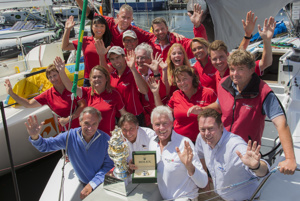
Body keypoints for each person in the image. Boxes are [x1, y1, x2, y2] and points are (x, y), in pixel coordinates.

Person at [202, 49, 297, 175]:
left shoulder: (263, 92)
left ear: (252, 70)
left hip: (247, 151)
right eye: (232, 69)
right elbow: (220, 105)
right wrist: (203, 109)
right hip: (222, 144)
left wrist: (290, 158)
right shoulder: (224, 84)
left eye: (240, 69)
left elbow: (281, 124)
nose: (235, 74)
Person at [26, 107, 114, 199]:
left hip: (101, 184)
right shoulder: (69, 136)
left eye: (94, 124)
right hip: (84, 184)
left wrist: (91, 184)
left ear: (98, 123)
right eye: (86, 123)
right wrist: (35, 137)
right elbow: (46, 146)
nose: (90, 128)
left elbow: (109, 166)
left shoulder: (106, 140)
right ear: (80, 122)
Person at [195, 108, 270, 200]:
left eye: (211, 128)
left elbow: (264, 173)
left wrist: (256, 166)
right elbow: (200, 154)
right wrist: (205, 176)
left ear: (221, 127)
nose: (206, 133)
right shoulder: (201, 138)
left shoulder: (236, 146)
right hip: (221, 196)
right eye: (202, 129)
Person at [148, 106, 208, 200]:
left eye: (165, 123)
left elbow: (203, 182)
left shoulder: (184, 144)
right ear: (152, 126)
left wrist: (189, 166)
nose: (161, 128)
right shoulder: (152, 143)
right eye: (157, 124)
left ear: (172, 123)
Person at [54, 57, 126, 135]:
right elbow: (72, 88)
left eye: (100, 76)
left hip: (107, 138)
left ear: (106, 79)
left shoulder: (114, 94)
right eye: (94, 77)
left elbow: (123, 114)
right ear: (90, 80)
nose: (97, 79)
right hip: (90, 137)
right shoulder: (87, 92)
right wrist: (61, 72)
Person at [5, 64, 86, 131]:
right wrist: (11, 94)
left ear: (60, 74)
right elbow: (28, 104)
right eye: (50, 77)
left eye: (55, 75)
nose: (53, 79)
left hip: (82, 128)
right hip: (65, 132)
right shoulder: (47, 95)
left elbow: (83, 105)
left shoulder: (71, 88)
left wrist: (69, 119)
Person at [149, 66, 217, 142]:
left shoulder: (208, 93)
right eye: (179, 81)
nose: (182, 83)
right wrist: (155, 93)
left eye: (185, 79)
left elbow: (220, 110)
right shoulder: (176, 95)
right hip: (179, 141)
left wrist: (203, 110)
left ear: (192, 78)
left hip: (205, 141)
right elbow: (162, 113)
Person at [210, 13, 275, 90]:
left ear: (228, 55)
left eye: (221, 57)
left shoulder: (240, 69)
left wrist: (266, 40)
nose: (218, 61)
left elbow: (265, 63)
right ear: (210, 59)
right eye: (214, 59)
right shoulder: (217, 74)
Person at [62, 15, 112, 87]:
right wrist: (67, 29)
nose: (99, 29)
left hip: (105, 79)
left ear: (105, 28)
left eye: (102, 26)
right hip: (89, 79)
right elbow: (65, 46)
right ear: (91, 27)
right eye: (96, 26)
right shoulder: (85, 40)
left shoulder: (110, 43)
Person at [107, 46, 149, 126]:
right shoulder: (111, 76)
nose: (115, 61)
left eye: (118, 57)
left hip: (135, 117)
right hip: (118, 118)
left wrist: (133, 68)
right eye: (112, 59)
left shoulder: (133, 72)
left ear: (124, 57)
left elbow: (144, 90)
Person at [134, 43, 167, 126]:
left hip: (160, 113)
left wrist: (156, 73)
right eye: (137, 58)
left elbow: (163, 93)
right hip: (144, 116)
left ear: (150, 59)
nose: (139, 60)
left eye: (143, 58)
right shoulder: (134, 72)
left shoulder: (158, 70)